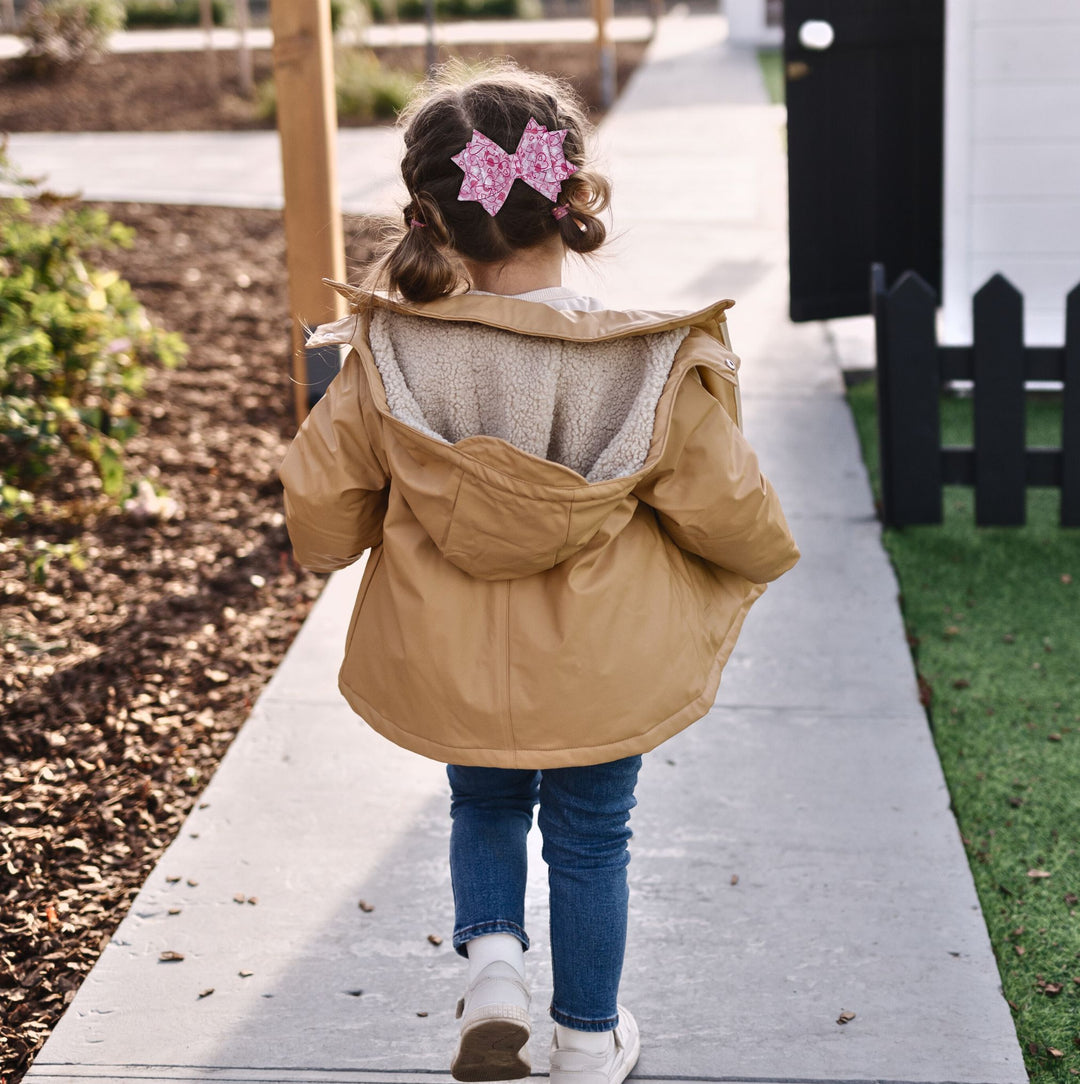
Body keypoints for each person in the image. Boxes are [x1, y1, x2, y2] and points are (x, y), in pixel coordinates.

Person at [278, 60, 799, 1084]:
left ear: (428, 215)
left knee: (483, 803)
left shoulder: (388, 355)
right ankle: (590, 1042)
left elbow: (325, 512)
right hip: (601, 665)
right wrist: (757, 560)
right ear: (573, 196)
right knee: (594, 836)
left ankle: (496, 966)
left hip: (455, 654)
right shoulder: (649, 363)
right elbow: (729, 506)